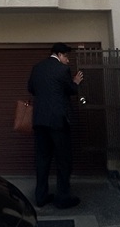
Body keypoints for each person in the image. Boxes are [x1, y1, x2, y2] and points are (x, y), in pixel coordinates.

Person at [26, 42, 83, 209]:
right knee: (63, 160)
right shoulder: (62, 70)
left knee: (42, 159)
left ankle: (41, 197)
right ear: (59, 54)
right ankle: (63, 198)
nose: (68, 60)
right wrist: (75, 82)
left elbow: (31, 89)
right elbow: (71, 90)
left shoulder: (37, 68)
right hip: (58, 121)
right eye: (66, 57)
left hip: (40, 121)